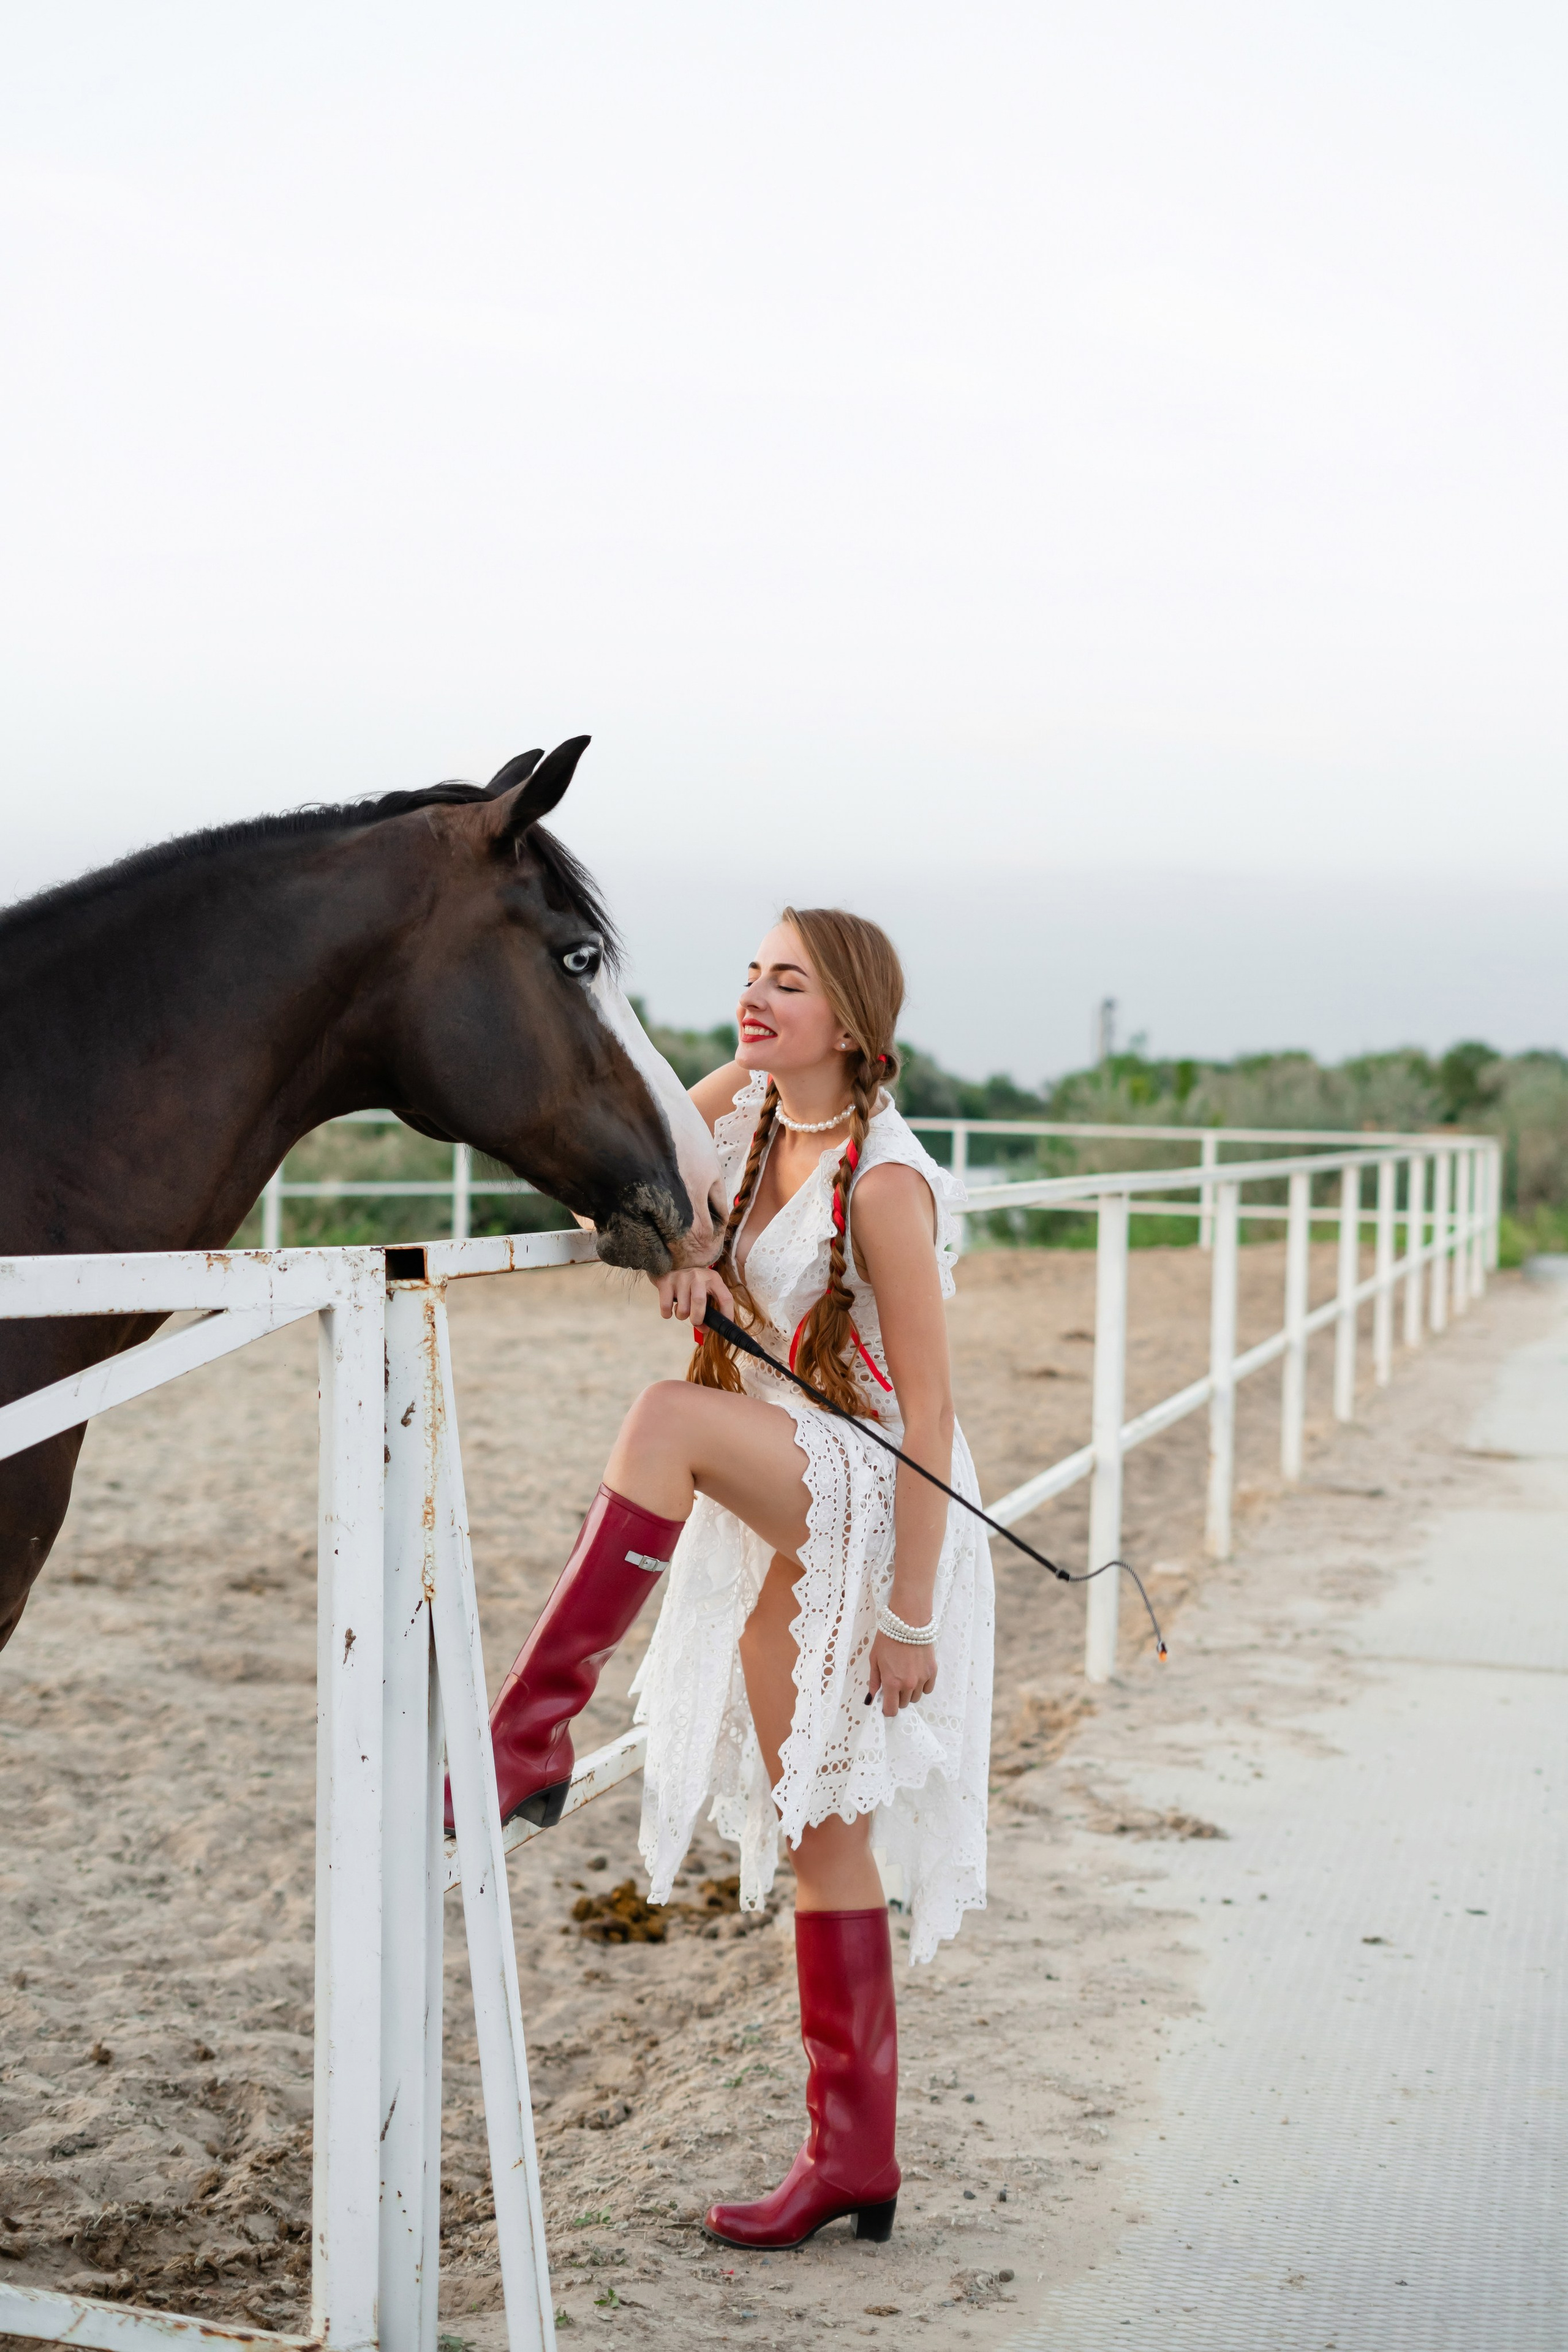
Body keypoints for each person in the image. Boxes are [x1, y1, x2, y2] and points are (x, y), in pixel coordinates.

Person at [477, 906, 994, 2250]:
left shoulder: (883, 1182)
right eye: (751, 974)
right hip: (799, 1483)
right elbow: (617, 1167)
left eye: (788, 983)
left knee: (665, 1421)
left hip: (880, 1498)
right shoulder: (748, 1106)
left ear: (854, 1026)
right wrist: (686, 1246)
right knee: (819, 1824)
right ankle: (851, 2161)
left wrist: (906, 1618)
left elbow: (928, 1418)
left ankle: (528, 1725)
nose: (754, 999)